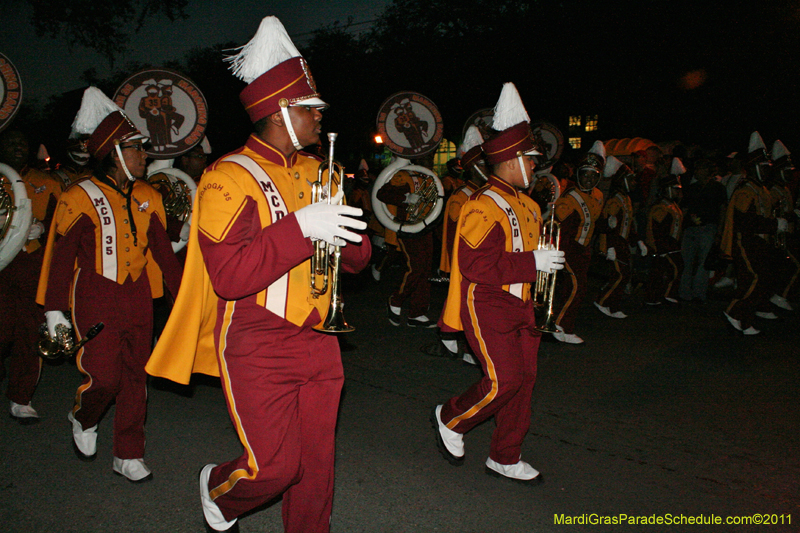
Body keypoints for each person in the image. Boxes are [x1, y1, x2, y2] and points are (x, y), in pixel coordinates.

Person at [144, 17, 370, 533]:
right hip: (256, 337)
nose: (319, 118)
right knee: (276, 467)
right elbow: (230, 275)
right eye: (310, 109)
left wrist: (351, 237)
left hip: (320, 336)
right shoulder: (227, 177)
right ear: (281, 112)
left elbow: (358, 263)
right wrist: (302, 228)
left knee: (316, 467)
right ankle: (219, 489)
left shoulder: (321, 171)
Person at [36, 87, 182, 482]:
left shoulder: (150, 195)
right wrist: (54, 311)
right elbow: (62, 257)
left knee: (137, 375)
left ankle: (128, 453)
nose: (145, 155)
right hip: (96, 293)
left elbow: (165, 257)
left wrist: (185, 300)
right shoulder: (79, 195)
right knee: (105, 376)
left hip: (138, 295)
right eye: (137, 149)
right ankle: (84, 414)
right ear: (114, 152)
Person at [432, 82, 564, 483]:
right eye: (532, 159)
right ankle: (451, 416)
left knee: (523, 384)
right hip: (486, 302)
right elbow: (475, 265)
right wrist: (532, 263)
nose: (536, 166)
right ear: (511, 159)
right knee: (503, 378)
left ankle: (505, 456)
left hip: (523, 304)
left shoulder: (529, 204)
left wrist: (544, 269)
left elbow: (524, 258)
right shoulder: (483, 204)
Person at [0, 129, 63, 423]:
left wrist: (44, 229)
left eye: (21, 142)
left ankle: (21, 397)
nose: (17, 147)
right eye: (11, 142)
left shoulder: (47, 182)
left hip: (32, 261)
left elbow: (61, 223)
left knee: (29, 330)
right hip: (2, 264)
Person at [721, 132, 788, 334]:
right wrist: (774, 224)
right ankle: (735, 312)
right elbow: (746, 222)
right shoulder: (745, 190)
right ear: (753, 167)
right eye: (763, 166)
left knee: (762, 278)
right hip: (745, 241)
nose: (768, 169)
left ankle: (746, 317)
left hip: (759, 242)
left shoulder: (760, 189)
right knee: (754, 278)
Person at [550, 141, 606, 344]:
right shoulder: (569, 199)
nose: (589, 179)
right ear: (578, 175)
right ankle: (560, 326)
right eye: (585, 174)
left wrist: (603, 246)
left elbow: (598, 223)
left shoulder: (598, 195)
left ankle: (562, 324)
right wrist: (559, 256)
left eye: (593, 176)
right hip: (570, 250)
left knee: (573, 289)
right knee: (577, 288)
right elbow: (559, 230)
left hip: (584, 250)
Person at [377, 157, 437, 327]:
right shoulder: (403, 174)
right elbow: (382, 193)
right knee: (416, 268)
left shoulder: (429, 176)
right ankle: (395, 300)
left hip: (425, 227)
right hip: (409, 227)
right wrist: (405, 198)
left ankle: (417, 313)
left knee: (425, 271)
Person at [595, 155, 646, 318]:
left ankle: (613, 305)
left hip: (622, 243)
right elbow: (607, 226)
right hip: (615, 244)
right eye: (630, 180)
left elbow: (628, 224)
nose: (634, 183)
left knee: (623, 276)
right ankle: (604, 302)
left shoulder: (626, 199)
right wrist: (609, 247)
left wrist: (638, 241)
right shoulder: (615, 201)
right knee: (620, 275)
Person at [678, 158, 728, 302]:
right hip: (690, 228)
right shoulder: (692, 188)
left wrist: (719, 231)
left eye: (700, 168)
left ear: (707, 171)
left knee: (703, 263)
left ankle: (699, 293)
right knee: (686, 262)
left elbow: (722, 210)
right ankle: (684, 292)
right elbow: (685, 208)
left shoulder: (718, 188)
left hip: (708, 228)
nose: (697, 171)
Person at [644, 158, 685, 305]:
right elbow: (656, 230)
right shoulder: (661, 207)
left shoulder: (672, 205)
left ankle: (659, 296)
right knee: (669, 269)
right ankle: (661, 295)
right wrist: (661, 247)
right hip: (663, 246)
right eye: (675, 189)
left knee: (662, 271)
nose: (678, 192)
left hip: (670, 245)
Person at [767, 140, 799, 311]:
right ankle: (776, 297)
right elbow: (770, 214)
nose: (790, 174)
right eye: (786, 171)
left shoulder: (785, 189)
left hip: (786, 236)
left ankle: (775, 298)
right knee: (792, 266)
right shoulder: (771, 190)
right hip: (776, 238)